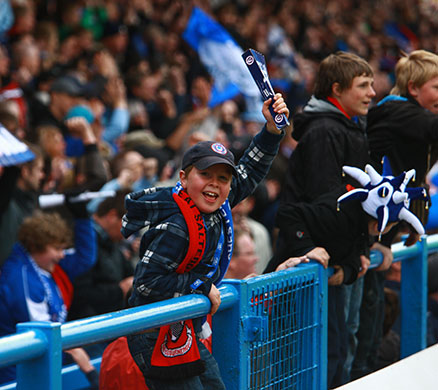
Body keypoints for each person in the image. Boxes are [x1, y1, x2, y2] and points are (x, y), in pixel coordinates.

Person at [121, 94, 288, 390]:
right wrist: (199, 286)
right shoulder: (177, 226)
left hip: (183, 326)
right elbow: (146, 284)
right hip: (155, 333)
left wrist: (272, 130)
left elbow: (249, 172)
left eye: (223, 178)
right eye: (205, 174)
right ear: (183, 178)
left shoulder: (214, 202)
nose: (215, 183)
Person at [266, 163, 429, 389]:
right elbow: (287, 214)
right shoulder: (336, 213)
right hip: (290, 290)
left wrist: (347, 271)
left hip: (323, 287)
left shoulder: (360, 224)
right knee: (298, 357)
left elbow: (353, 257)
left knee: (339, 350)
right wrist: (308, 247)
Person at [276, 50, 379, 388]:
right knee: (322, 361)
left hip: (337, 262)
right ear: (337, 89)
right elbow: (327, 205)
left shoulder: (350, 128)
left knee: (338, 355)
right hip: (315, 263)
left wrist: (360, 250)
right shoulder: (324, 132)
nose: (372, 92)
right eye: (363, 85)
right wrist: (344, 253)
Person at [353, 49, 438, 380]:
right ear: (414, 88)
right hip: (361, 237)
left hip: (381, 238)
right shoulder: (400, 113)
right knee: (354, 333)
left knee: (368, 328)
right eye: (436, 85)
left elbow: (412, 176)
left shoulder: (413, 116)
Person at [0, 211, 98, 388]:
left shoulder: (40, 269)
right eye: (57, 249)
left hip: (37, 366)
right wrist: (74, 350)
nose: (62, 255)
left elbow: (84, 259)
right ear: (38, 246)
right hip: (19, 374)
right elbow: (42, 333)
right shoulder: (22, 278)